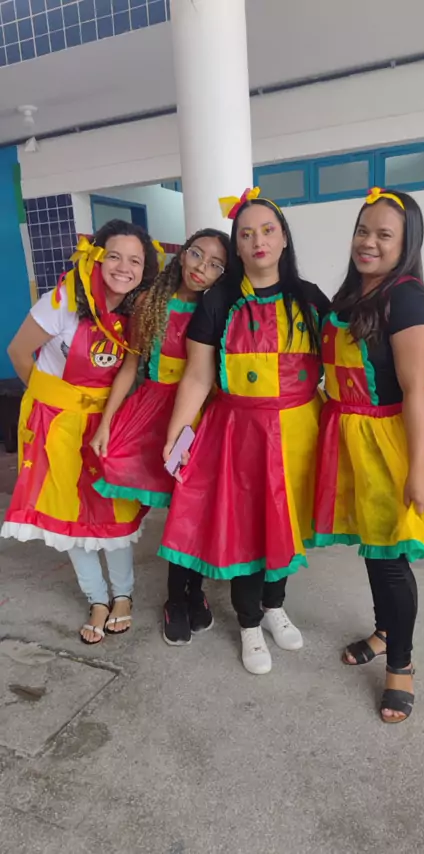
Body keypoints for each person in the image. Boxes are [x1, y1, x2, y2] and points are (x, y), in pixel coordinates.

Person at [311, 187, 424, 722]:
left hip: (391, 442)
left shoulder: (408, 300)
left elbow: (415, 390)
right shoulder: (348, 296)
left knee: (389, 560)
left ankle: (401, 664)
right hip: (352, 437)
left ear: (406, 244)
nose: (369, 242)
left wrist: (419, 472)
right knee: (375, 549)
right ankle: (385, 631)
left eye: (384, 235)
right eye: (363, 230)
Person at [159, 188, 331, 674]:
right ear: (237, 245)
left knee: (286, 525)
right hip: (238, 435)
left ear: (284, 238)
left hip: (299, 433)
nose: (258, 241)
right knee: (248, 529)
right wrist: (177, 433)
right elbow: (198, 376)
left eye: (268, 230)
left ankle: (275, 606)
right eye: (247, 233)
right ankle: (249, 624)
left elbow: (342, 360)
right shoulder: (219, 300)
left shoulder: (311, 298)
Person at [1, 220, 161, 645]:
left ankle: (123, 594)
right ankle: (97, 599)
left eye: (135, 261)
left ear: (145, 269)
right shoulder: (63, 301)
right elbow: (18, 352)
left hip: (109, 420)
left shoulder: (140, 307)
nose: (124, 268)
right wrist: (55, 401)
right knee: (69, 514)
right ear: (96, 258)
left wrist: (105, 419)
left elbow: (129, 367)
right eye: (115, 256)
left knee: (114, 509)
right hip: (58, 423)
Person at [90, 228, 230, 645]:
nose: (201, 268)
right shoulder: (150, 303)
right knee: (162, 505)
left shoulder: (220, 310)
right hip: (151, 412)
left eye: (215, 264)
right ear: (182, 255)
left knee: (193, 510)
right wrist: (105, 423)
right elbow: (130, 367)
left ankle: (193, 593)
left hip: (199, 417)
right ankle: (172, 598)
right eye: (196, 255)